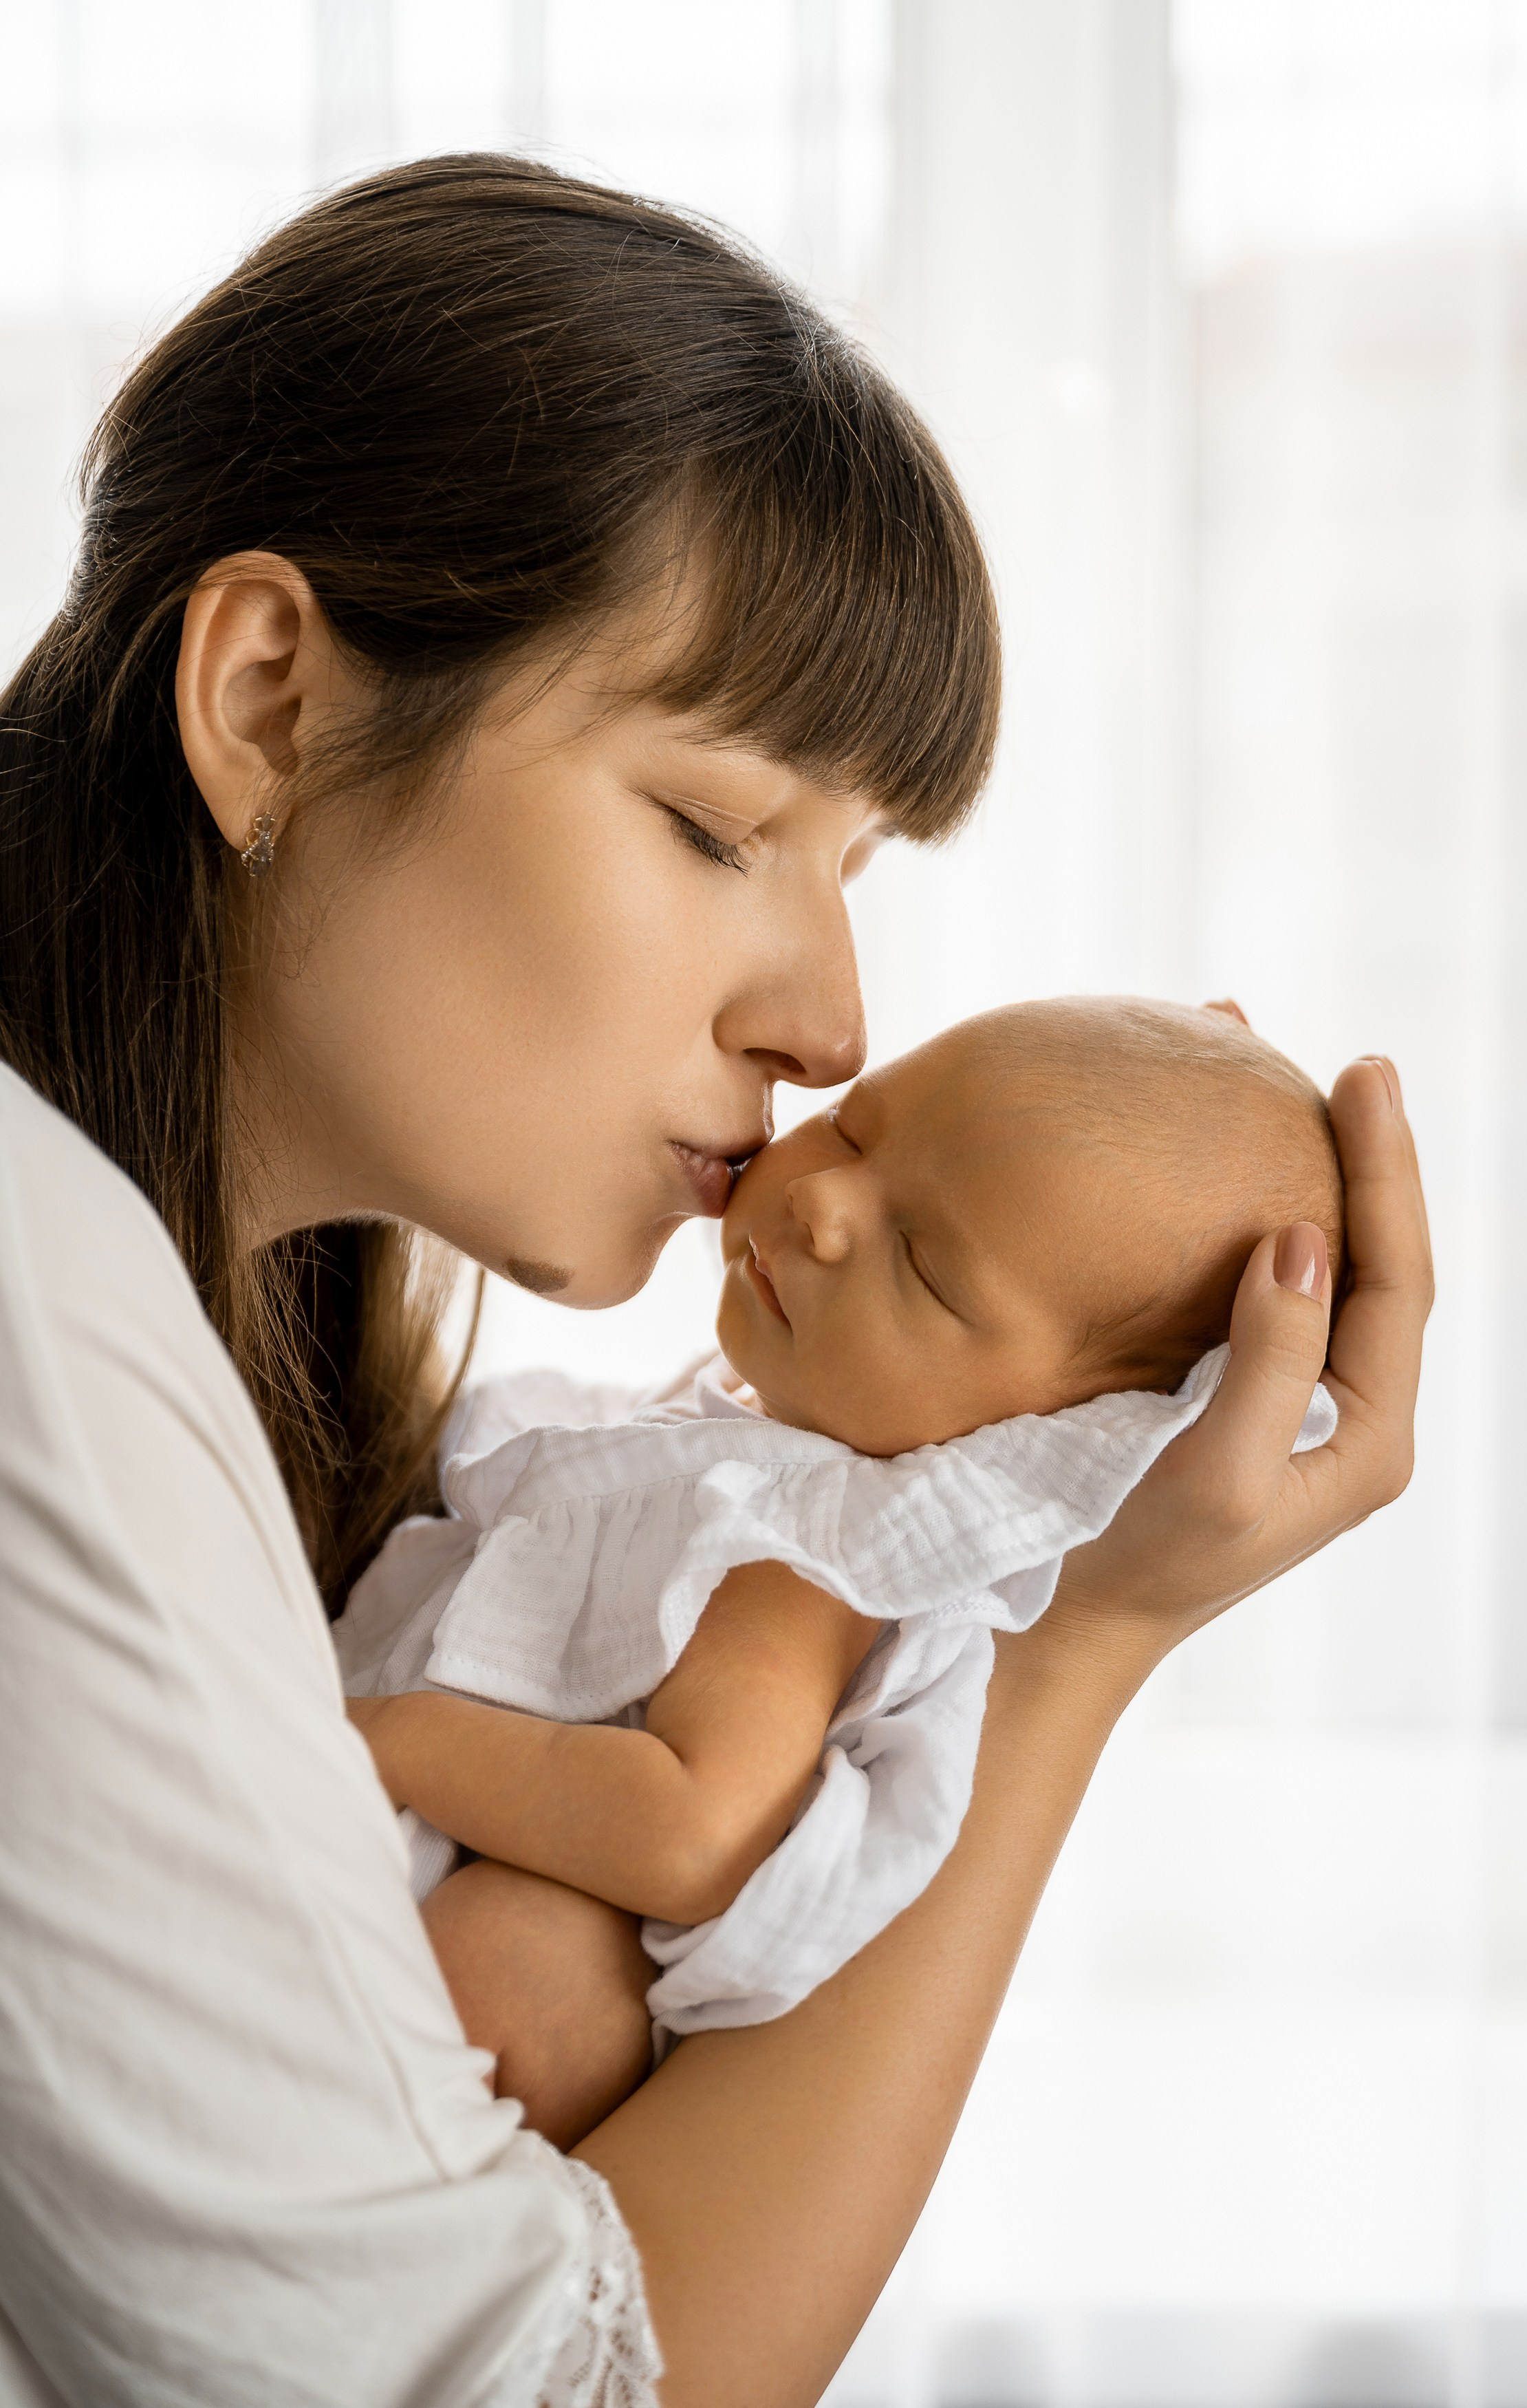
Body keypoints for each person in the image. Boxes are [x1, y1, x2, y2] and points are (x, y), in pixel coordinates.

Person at [0, 155, 1431, 2408]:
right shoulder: (35, 1307)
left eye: (852, 872)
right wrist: (1081, 1635)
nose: (834, 1025)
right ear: (269, 695)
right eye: (716, 825)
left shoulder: (199, 1353)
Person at [338, 996, 1345, 2144]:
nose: (819, 1202)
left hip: (484, 1942)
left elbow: (695, 1834)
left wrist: (382, 1738)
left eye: (923, 1270)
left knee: (527, 1957)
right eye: (858, 1129)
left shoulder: (802, 1557)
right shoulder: (726, 1442)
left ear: (1047, 1436)